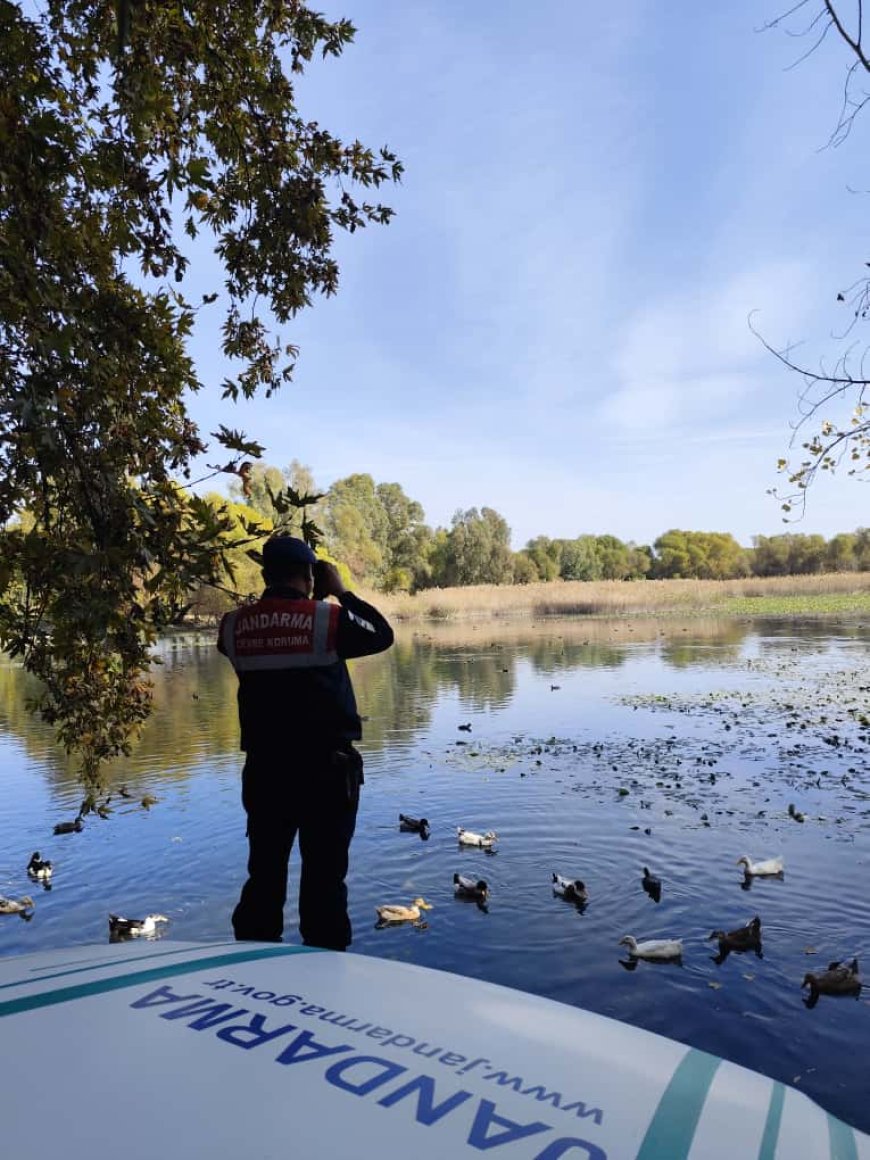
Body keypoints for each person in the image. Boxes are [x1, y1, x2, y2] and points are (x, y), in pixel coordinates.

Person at [217, 534, 394, 949]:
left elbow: (232, 649)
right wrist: (342, 593)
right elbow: (381, 635)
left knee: (264, 874)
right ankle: (325, 976)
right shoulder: (326, 621)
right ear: (311, 575)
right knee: (324, 879)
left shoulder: (235, 626)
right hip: (325, 774)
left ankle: (251, 968)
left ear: (265, 574)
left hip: (266, 772)